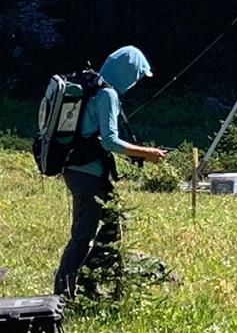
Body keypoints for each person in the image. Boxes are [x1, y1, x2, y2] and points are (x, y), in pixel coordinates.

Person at [53, 45, 166, 299]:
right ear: (128, 73)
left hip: (84, 171)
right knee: (83, 235)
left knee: (114, 223)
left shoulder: (96, 89)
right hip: (86, 174)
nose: (136, 83)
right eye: (136, 76)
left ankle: (88, 280)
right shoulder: (107, 95)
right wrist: (146, 153)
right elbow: (110, 142)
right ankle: (64, 291)